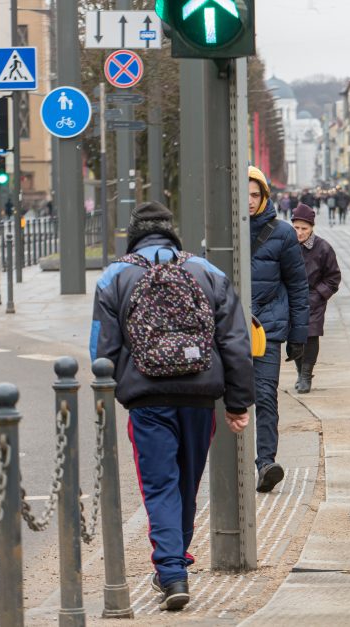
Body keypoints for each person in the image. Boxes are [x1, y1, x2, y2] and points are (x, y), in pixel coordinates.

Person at [90, 201, 254, 612]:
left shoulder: (114, 276)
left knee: (159, 485)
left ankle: (170, 571)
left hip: (147, 399)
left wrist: (103, 397)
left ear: (133, 233)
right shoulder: (208, 272)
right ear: (171, 231)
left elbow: (101, 349)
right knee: (186, 483)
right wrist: (237, 403)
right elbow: (236, 342)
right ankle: (175, 562)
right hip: (200, 397)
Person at [248, 166, 310, 493]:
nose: (248, 200)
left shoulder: (282, 233)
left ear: (264, 197)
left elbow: (298, 287)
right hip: (229, 329)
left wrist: (298, 336)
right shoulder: (217, 229)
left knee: (265, 396)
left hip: (266, 329)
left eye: (254, 194)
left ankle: (265, 464)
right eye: (242, 193)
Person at [289, 203, 341, 393]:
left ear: (311, 228)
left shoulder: (323, 248)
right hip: (291, 299)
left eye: (304, 228)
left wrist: (318, 295)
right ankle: (298, 370)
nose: (300, 232)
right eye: (296, 228)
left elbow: (333, 277)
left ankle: (306, 375)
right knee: (294, 336)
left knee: (310, 335)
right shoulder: (286, 244)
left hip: (314, 300)